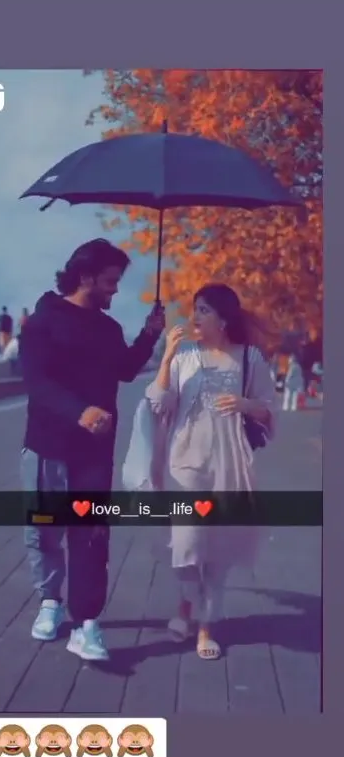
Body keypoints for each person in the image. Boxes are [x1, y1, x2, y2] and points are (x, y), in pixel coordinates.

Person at [19, 238, 165, 661]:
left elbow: (124, 370)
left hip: (94, 455)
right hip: (47, 447)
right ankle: (50, 601)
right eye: (110, 281)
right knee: (45, 529)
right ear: (85, 277)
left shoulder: (109, 328)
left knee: (91, 535)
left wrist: (149, 335)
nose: (116, 290)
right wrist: (79, 411)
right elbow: (37, 383)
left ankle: (87, 624)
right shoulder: (43, 322)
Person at [125, 283, 276, 661]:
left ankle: (203, 624)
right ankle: (187, 604)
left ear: (224, 318)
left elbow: (268, 409)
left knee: (219, 548)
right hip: (184, 464)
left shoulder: (250, 359)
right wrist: (165, 360)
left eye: (204, 310)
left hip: (230, 463)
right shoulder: (184, 358)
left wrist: (244, 403)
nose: (195, 317)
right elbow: (158, 403)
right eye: (195, 309)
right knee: (187, 543)